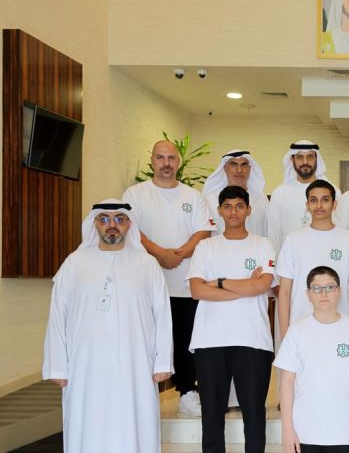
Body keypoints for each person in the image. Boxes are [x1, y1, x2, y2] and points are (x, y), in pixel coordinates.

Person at [43, 200, 172, 453]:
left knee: (135, 423)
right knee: (87, 423)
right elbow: (57, 315)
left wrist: (162, 362)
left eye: (119, 219)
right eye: (104, 219)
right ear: (94, 223)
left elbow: (162, 314)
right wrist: (57, 366)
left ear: (129, 224)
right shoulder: (74, 263)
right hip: (84, 366)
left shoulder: (147, 264)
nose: (111, 225)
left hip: (136, 365)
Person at [122, 139, 215, 417]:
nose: (166, 163)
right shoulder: (135, 194)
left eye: (171, 158)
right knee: (147, 340)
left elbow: (203, 232)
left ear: (178, 162)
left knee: (185, 341)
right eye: (160, 158)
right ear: (152, 160)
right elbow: (130, 229)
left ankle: (187, 392)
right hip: (145, 285)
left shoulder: (193, 197)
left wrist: (180, 254)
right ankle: (142, 396)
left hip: (184, 285)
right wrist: (160, 253)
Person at [187, 186, 276, 453]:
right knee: (211, 413)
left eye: (239, 206)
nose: (233, 212)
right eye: (227, 206)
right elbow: (197, 291)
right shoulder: (205, 246)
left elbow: (261, 286)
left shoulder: (263, 244)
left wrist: (218, 282)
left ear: (249, 210)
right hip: (209, 340)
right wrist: (244, 286)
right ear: (219, 211)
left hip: (253, 340)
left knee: (254, 412)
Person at [276, 266, 349, 453]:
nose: (323, 293)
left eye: (330, 287)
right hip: (304, 433)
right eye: (316, 288)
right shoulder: (296, 331)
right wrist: (287, 430)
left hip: (347, 433)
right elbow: (287, 382)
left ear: (339, 291)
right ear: (308, 294)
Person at [275, 180, 349, 336]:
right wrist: (285, 336)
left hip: (341, 329)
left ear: (334, 204)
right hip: (301, 328)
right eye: (313, 200)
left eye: (325, 199)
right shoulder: (293, 240)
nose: (319, 205)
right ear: (307, 205)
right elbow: (284, 291)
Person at [267, 140, 333, 252]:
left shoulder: (332, 192)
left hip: (324, 257)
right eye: (300, 157)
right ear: (292, 159)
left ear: (316, 159)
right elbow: (274, 236)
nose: (305, 162)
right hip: (290, 259)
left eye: (310, 157)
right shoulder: (280, 193)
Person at [203, 149, 269, 237]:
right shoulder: (209, 200)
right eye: (234, 164)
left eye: (244, 165)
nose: (239, 170)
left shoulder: (261, 199)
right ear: (225, 168)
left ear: (249, 169)